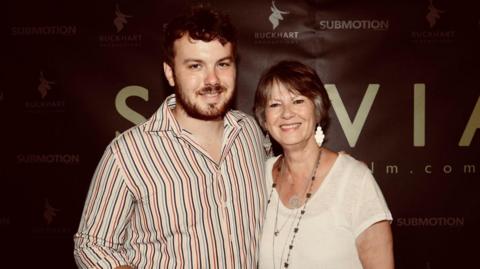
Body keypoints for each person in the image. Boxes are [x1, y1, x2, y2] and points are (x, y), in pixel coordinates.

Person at [74, 6, 268, 269]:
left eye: (222, 64)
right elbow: (92, 245)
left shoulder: (250, 133)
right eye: (195, 66)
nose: (212, 79)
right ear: (170, 72)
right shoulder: (128, 153)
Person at [254, 60, 394, 269]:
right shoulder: (258, 177)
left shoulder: (354, 180)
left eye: (298, 101)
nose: (287, 113)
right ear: (265, 119)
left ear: (317, 109)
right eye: (275, 104)